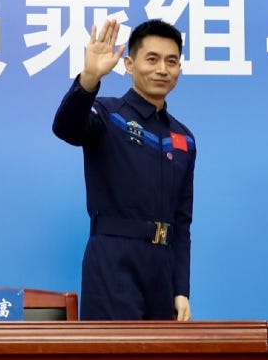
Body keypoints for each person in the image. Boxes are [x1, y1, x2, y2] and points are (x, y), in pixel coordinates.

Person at [52, 18, 196, 320]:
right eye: (152, 59)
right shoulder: (107, 114)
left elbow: (182, 222)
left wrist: (181, 289)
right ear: (129, 64)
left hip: (163, 270)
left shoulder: (183, 138)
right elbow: (66, 128)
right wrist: (89, 78)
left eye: (172, 62)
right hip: (112, 263)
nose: (162, 69)